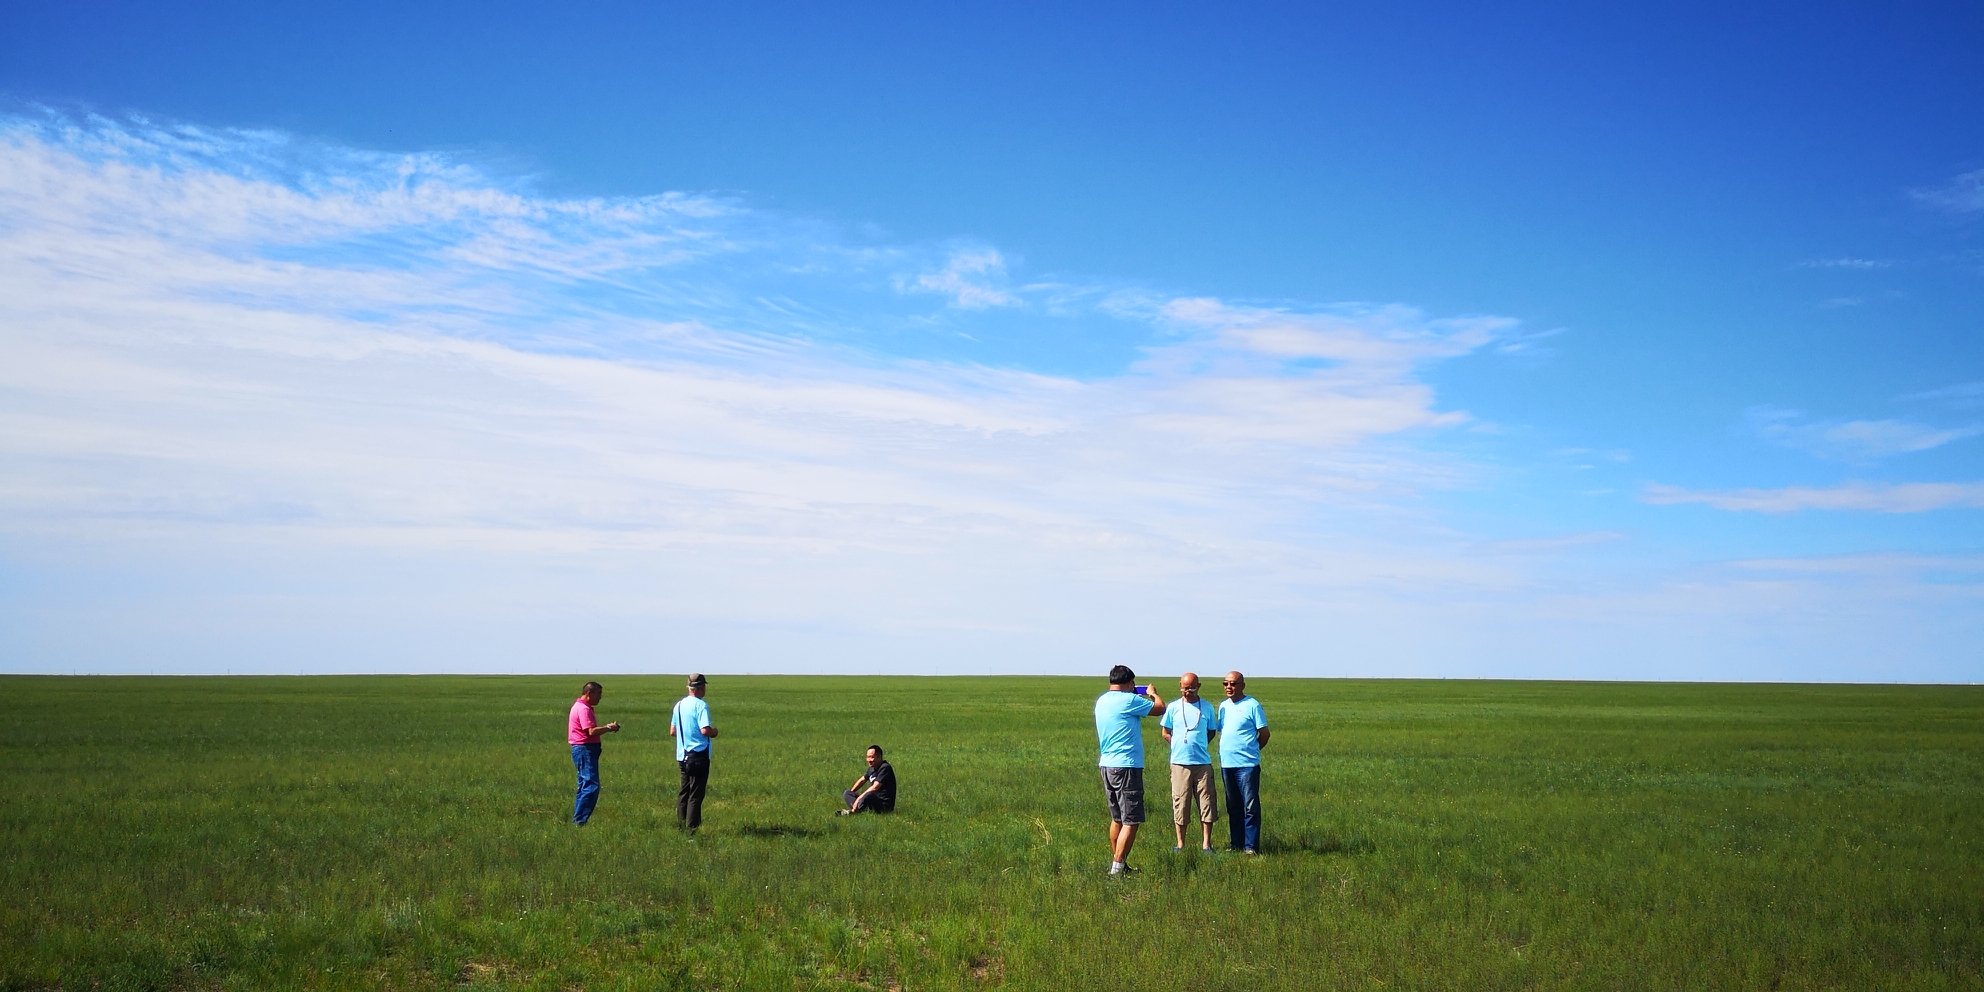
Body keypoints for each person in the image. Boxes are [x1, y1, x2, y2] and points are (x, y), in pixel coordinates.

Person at [1094, 664, 1166, 875]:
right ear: (1128, 683)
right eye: (1133, 684)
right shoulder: (1129, 700)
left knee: (1117, 818)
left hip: (1107, 764)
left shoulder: (1102, 700)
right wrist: (1152, 693)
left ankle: (1120, 863)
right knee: (1131, 820)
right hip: (1126, 765)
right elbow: (1160, 708)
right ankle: (1117, 870)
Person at [1160, 671, 1220, 851]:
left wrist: (1199, 744)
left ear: (1199, 686)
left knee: (1207, 803)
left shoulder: (1207, 707)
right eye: (1185, 688)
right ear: (1180, 686)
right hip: (1180, 764)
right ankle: (1180, 844)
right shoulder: (1173, 707)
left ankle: (1206, 844)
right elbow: (1165, 732)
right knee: (1181, 803)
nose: (1189, 691)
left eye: (1192, 688)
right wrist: (1177, 743)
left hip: (1202, 764)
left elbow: (1211, 731)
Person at [1217, 671, 1269, 854]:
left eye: (1233, 684)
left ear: (1242, 686)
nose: (1229, 687)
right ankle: (1236, 843)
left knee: (1250, 806)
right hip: (1227, 764)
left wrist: (1251, 751)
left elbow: (1264, 734)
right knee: (1233, 806)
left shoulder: (1252, 705)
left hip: (1247, 765)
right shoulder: (1223, 707)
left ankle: (1251, 847)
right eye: (1225, 684)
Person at [669, 673, 718, 831]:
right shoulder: (700, 705)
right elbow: (705, 730)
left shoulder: (679, 705)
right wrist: (714, 731)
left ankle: (681, 825)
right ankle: (692, 830)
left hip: (682, 755)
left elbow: (672, 731)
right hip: (698, 754)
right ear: (701, 687)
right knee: (696, 795)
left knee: (684, 791)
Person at [567, 681, 620, 825]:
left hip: (583, 749)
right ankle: (579, 821)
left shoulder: (579, 706)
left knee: (584, 784)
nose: (600, 697)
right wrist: (609, 727)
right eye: (599, 694)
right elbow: (590, 731)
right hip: (585, 749)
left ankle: (578, 819)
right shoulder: (583, 709)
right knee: (591, 786)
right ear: (589, 693)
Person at [837, 744, 896, 815]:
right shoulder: (872, 768)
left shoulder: (885, 768)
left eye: (871, 757)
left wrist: (858, 799)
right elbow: (862, 780)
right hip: (870, 802)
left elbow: (875, 787)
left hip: (883, 805)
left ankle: (853, 812)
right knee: (847, 793)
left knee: (868, 795)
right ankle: (857, 810)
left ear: (879, 757)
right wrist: (852, 793)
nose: (869, 760)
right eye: (867, 757)